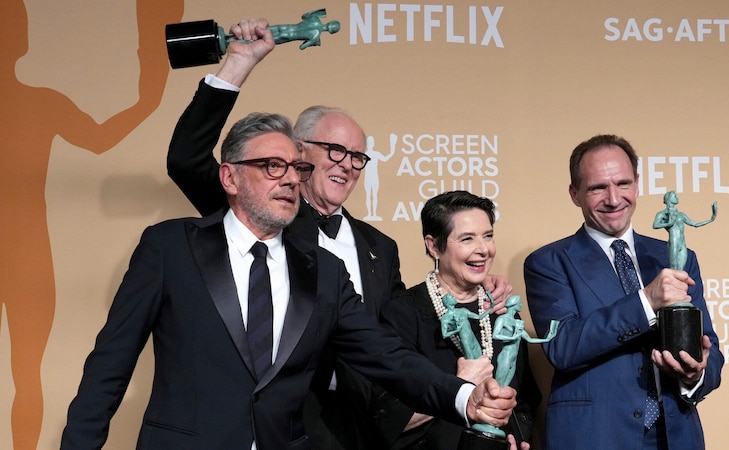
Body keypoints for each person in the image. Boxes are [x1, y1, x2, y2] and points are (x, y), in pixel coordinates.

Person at [61, 112, 517, 450]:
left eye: (296, 169)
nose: (289, 181)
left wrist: (463, 397)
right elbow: (109, 365)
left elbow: (386, 355)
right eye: (271, 167)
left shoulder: (323, 271)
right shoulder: (171, 248)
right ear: (230, 176)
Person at [166, 18, 511, 450]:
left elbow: (396, 330)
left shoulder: (378, 247)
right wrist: (237, 63)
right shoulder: (265, 218)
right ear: (298, 151)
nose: (348, 165)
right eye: (335, 151)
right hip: (282, 418)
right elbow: (185, 159)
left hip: (365, 424)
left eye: (357, 157)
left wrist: (476, 289)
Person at [0, 0, 183, 448]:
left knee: (28, 376)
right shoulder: (40, 101)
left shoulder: (42, 102)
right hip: (28, 252)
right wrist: (150, 83)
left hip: (28, 255)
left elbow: (100, 138)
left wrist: (151, 85)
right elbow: (103, 137)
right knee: (27, 376)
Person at [523, 134, 724, 450]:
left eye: (623, 183)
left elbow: (710, 351)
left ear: (638, 184)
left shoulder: (674, 257)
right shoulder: (549, 262)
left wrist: (694, 373)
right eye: (598, 187)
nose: (614, 199)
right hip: (594, 436)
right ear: (575, 194)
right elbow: (562, 347)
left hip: (676, 437)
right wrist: (647, 301)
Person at [373, 191, 541, 449]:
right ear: (434, 245)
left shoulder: (501, 310)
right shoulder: (402, 313)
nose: (483, 249)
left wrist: (517, 439)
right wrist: (460, 386)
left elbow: (524, 400)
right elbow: (384, 415)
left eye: (488, 236)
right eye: (467, 239)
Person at [653, 191, 717, 270]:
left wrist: (711, 219)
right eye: (674, 196)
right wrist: (668, 224)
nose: (677, 197)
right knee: (674, 269)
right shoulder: (662, 214)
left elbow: (695, 224)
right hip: (674, 241)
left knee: (681, 270)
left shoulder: (681, 215)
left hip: (682, 243)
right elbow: (655, 225)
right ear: (668, 199)